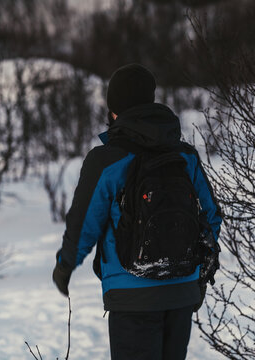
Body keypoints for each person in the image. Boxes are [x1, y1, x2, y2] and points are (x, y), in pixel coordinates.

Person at [53, 63, 221, 360]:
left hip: (132, 295)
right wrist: (197, 275)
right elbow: (210, 217)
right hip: (182, 288)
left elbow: (83, 223)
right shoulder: (184, 155)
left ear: (114, 109)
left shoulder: (107, 160)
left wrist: (65, 266)